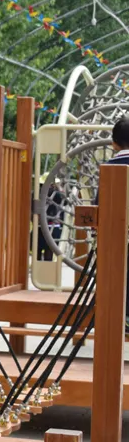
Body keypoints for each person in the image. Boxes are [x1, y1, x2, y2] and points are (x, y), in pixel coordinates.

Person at [93, 115, 129, 332]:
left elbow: (99, 205)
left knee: (117, 275)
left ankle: (120, 316)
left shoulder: (109, 167)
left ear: (114, 143)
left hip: (115, 236)